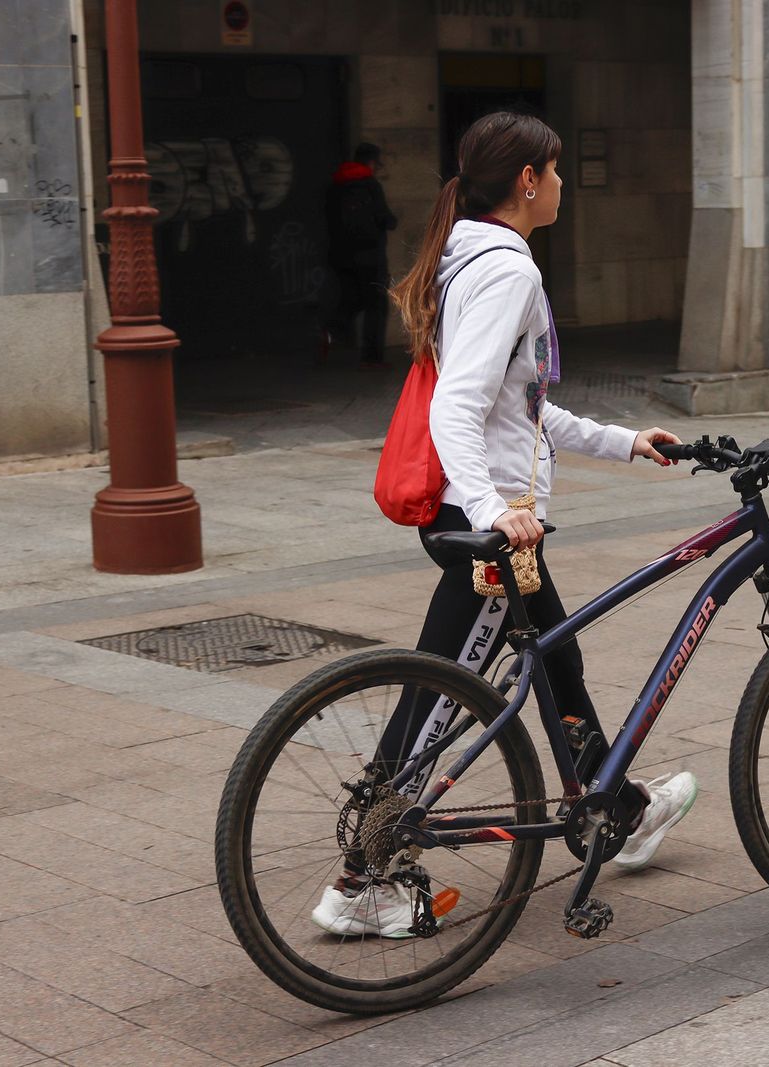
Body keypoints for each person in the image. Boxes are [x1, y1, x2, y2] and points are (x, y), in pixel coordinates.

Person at [313, 111, 698, 938]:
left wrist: (624, 441)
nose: (561, 185)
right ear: (529, 181)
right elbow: (459, 407)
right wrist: (494, 511)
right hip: (488, 527)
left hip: (494, 517)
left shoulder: (476, 260)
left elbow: (518, 409)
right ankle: (360, 881)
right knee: (439, 698)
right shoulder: (506, 271)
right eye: (555, 173)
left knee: (557, 659)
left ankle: (615, 804)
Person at [326, 142, 398, 367]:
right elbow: (384, 217)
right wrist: (391, 221)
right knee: (376, 305)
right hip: (371, 257)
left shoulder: (336, 185)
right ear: (372, 162)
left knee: (351, 299)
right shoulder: (370, 185)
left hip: (341, 256)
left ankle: (329, 331)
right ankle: (372, 357)